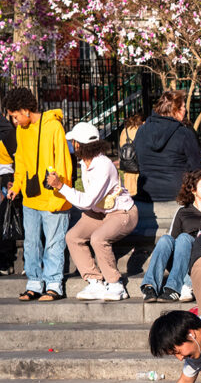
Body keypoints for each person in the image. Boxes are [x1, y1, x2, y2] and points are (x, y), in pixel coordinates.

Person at [48, 122, 138, 301]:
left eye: (73, 142)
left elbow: (87, 201)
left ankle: (115, 284)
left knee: (98, 238)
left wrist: (60, 186)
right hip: (100, 212)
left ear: (79, 145)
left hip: (123, 213)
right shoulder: (85, 163)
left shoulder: (103, 165)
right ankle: (95, 282)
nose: (71, 145)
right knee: (73, 237)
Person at [4, 88, 72, 301]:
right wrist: (16, 185)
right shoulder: (21, 131)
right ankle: (34, 281)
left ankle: (53, 283)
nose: (14, 121)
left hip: (53, 196)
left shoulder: (53, 126)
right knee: (32, 241)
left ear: (25, 109)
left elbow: (62, 160)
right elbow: (22, 162)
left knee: (53, 242)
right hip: (31, 197)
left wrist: (59, 191)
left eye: (15, 115)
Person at [139, 169, 201, 302]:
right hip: (180, 260)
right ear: (193, 190)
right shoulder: (183, 212)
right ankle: (150, 286)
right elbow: (172, 239)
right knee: (166, 239)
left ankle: (173, 288)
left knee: (184, 238)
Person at [133, 91, 201, 202]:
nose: (185, 111)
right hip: (178, 193)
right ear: (176, 110)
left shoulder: (141, 130)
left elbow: (137, 159)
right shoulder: (184, 133)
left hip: (146, 192)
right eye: (183, 107)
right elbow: (197, 167)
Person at [0, 103, 18, 275]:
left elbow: (16, 154)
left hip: (4, 177)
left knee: (4, 217)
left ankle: (5, 262)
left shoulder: (6, 131)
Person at [118, 112, 144, 196]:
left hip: (127, 165)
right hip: (138, 165)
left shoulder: (124, 130)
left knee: (129, 190)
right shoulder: (142, 128)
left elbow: (121, 145)